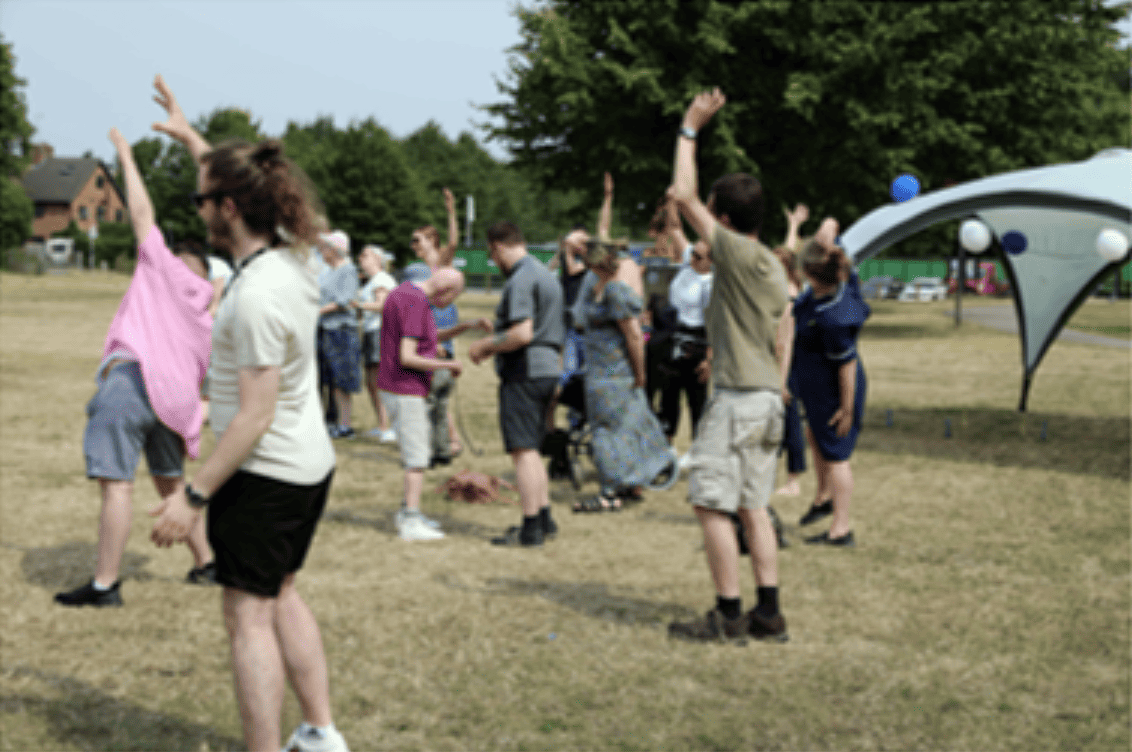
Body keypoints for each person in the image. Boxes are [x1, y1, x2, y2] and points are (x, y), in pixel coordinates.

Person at [146, 76, 349, 752]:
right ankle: (319, 734)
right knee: (281, 593)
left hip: (266, 474)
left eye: (203, 199)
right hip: (306, 466)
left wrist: (192, 497)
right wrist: (192, 139)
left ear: (227, 208)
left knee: (248, 618)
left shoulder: (259, 294)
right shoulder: (293, 257)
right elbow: (246, 190)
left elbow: (253, 416)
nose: (197, 209)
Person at [54, 126, 216, 609]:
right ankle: (207, 563)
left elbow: (142, 212)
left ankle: (105, 585)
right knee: (172, 484)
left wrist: (124, 154)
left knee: (117, 487)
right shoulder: (205, 311)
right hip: (176, 402)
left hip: (130, 382)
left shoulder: (160, 269)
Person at [665, 88, 790, 644]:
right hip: (765, 400)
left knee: (710, 505)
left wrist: (690, 128)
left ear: (723, 218)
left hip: (738, 399)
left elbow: (682, 192)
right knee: (753, 508)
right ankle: (768, 615)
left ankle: (728, 615)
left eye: (710, 215)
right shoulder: (771, 265)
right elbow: (782, 329)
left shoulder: (736, 252)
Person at [468, 221, 564, 547]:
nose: (494, 262)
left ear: (497, 246)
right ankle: (545, 518)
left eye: (492, 254)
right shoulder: (545, 273)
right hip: (548, 369)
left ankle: (530, 527)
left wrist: (486, 345)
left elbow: (522, 333)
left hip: (524, 371)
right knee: (533, 450)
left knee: (522, 451)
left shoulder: (521, 277)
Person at [571, 239, 672, 512]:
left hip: (614, 375)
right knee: (618, 430)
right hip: (599, 371)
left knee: (607, 433)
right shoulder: (597, 288)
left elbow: (634, 336)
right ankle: (627, 485)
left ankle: (609, 493)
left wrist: (640, 375)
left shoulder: (615, 291)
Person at [791, 217, 870, 547]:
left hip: (834, 393)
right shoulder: (841, 282)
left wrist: (847, 410)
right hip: (816, 389)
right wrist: (827, 235)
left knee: (837, 457)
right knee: (816, 436)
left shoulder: (831, 316)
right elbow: (831, 224)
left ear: (808, 273)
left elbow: (847, 366)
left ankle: (841, 529)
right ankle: (823, 500)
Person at [378, 267, 466, 541]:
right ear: (446, 290)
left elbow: (424, 337)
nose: (450, 304)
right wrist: (446, 363)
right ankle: (411, 521)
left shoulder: (404, 293)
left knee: (416, 453)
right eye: (453, 298)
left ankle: (408, 511)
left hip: (392, 385)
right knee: (417, 458)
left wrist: (465, 327)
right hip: (406, 388)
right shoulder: (417, 303)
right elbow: (408, 356)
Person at [405, 188, 467, 465]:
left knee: (433, 400)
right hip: (430, 338)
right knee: (435, 398)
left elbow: (453, 241)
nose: (413, 244)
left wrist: (451, 210)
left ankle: (436, 449)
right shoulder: (417, 271)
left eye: (417, 239)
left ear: (432, 240)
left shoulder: (441, 265)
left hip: (444, 338)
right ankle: (444, 447)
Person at [774, 203, 810, 498]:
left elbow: (785, 342)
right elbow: (787, 250)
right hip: (780, 362)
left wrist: (782, 380)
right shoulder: (780, 285)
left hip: (790, 365)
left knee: (789, 422)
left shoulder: (788, 295)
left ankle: (793, 481)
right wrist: (793, 226)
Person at [317, 229, 361, 439]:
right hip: (326, 329)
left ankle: (345, 425)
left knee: (342, 380)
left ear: (335, 250)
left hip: (341, 331)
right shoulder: (328, 271)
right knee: (329, 380)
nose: (321, 251)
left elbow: (345, 300)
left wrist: (316, 311)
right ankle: (332, 422)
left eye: (324, 247)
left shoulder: (348, 270)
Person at [353, 245, 397, 442]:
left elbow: (383, 305)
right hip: (371, 332)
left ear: (378, 260)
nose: (361, 259)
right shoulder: (371, 282)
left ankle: (390, 427)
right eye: (361, 255)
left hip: (381, 332)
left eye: (366, 255)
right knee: (371, 382)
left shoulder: (382, 280)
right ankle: (382, 425)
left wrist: (358, 305)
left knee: (380, 382)